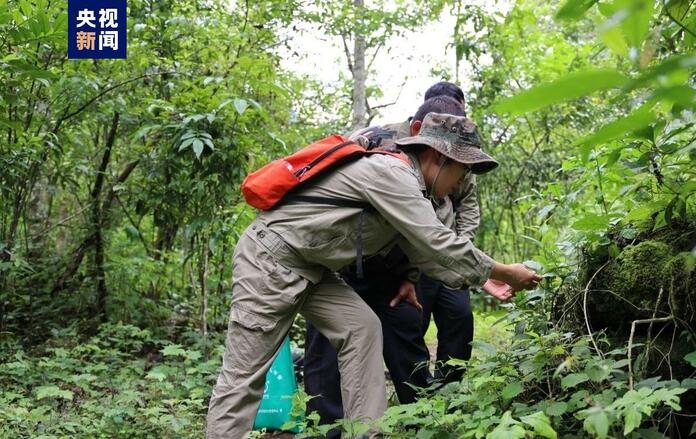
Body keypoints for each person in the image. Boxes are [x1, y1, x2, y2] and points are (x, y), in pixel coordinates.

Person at [206, 112, 540, 439]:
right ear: (438, 158)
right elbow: (437, 241)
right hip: (271, 258)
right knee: (245, 376)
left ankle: (366, 432)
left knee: (362, 328)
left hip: (312, 268)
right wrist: (504, 271)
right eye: (462, 172)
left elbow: (427, 255)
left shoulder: (417, 190)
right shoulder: (393, 173)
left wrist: (484, 278)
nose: (462, 183)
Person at [303, 90, 484, 437]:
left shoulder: (452, 159)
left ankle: (422, 417)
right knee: (326, 345)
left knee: (405, 331)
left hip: (393, 264)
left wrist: (413, 274)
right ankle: (327, 427)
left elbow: (431, 224)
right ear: (419, 125)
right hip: (338, 261)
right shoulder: (374, 141)